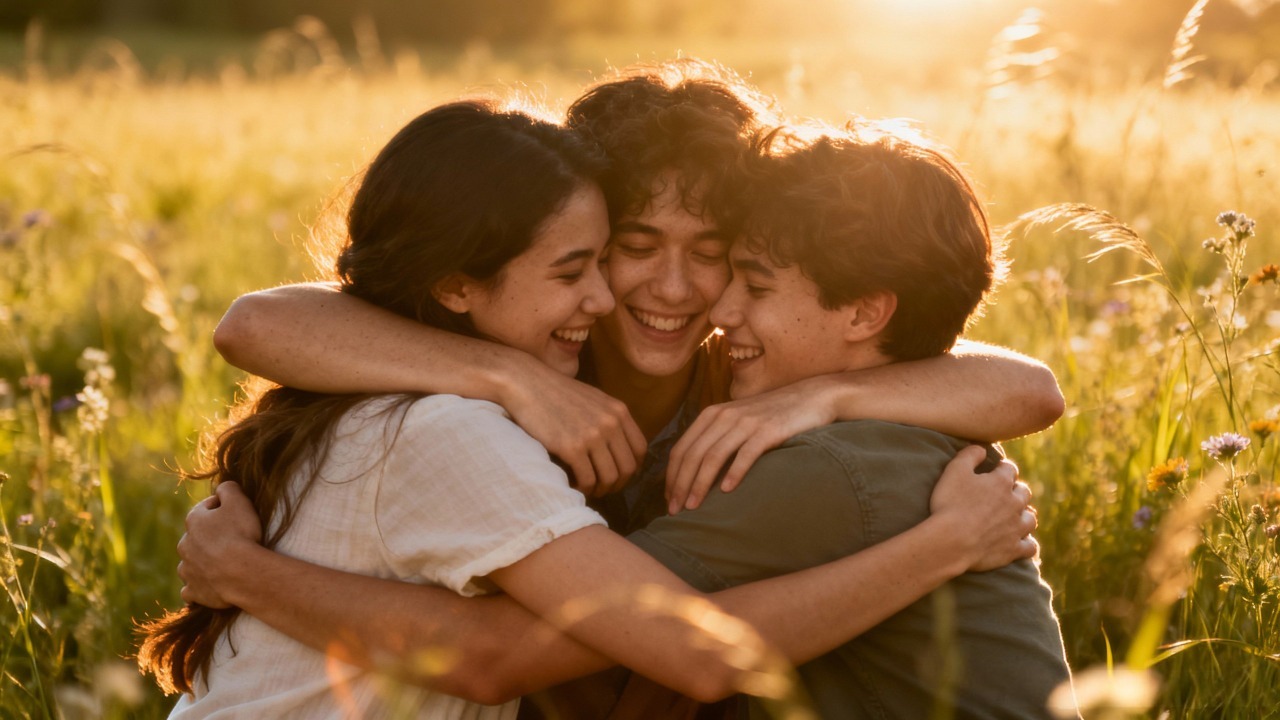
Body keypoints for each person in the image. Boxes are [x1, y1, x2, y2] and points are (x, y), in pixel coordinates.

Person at [139, 98, 1039, 718]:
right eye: (627, 249)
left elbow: (1031, 389)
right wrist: (511, 380)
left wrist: (828, 391)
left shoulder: (754, 383)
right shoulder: (476, 400)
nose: (678, 290)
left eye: (719, 255)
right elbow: (254, 323)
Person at [622, 121, 1076, 717]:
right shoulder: (904, 423)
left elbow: (566, 629)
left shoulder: (827, 468)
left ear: (865, 313)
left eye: (755, 285)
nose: (722, 309)